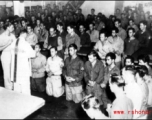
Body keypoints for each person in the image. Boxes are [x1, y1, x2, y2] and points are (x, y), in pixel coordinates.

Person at [10, 30, 36, 95]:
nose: (26, 36)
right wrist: (35, 51)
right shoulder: (25, 44)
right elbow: (32, 54)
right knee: (25, 88)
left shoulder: (13, 43)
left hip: (15, 71)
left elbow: (11, 53)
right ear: (24, 34)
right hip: (23, 70)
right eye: (26, 35)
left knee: (17, 89)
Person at [0, 23, 16, 90]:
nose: (13, 28)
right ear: (7, 27)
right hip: (5, 56)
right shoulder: (2, 36)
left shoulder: (12, 35)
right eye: (12, 27)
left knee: (12, 73)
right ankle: (8, 90)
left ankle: (12, 88)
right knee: (7, 74)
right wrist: (8, 44)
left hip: (12, 55)